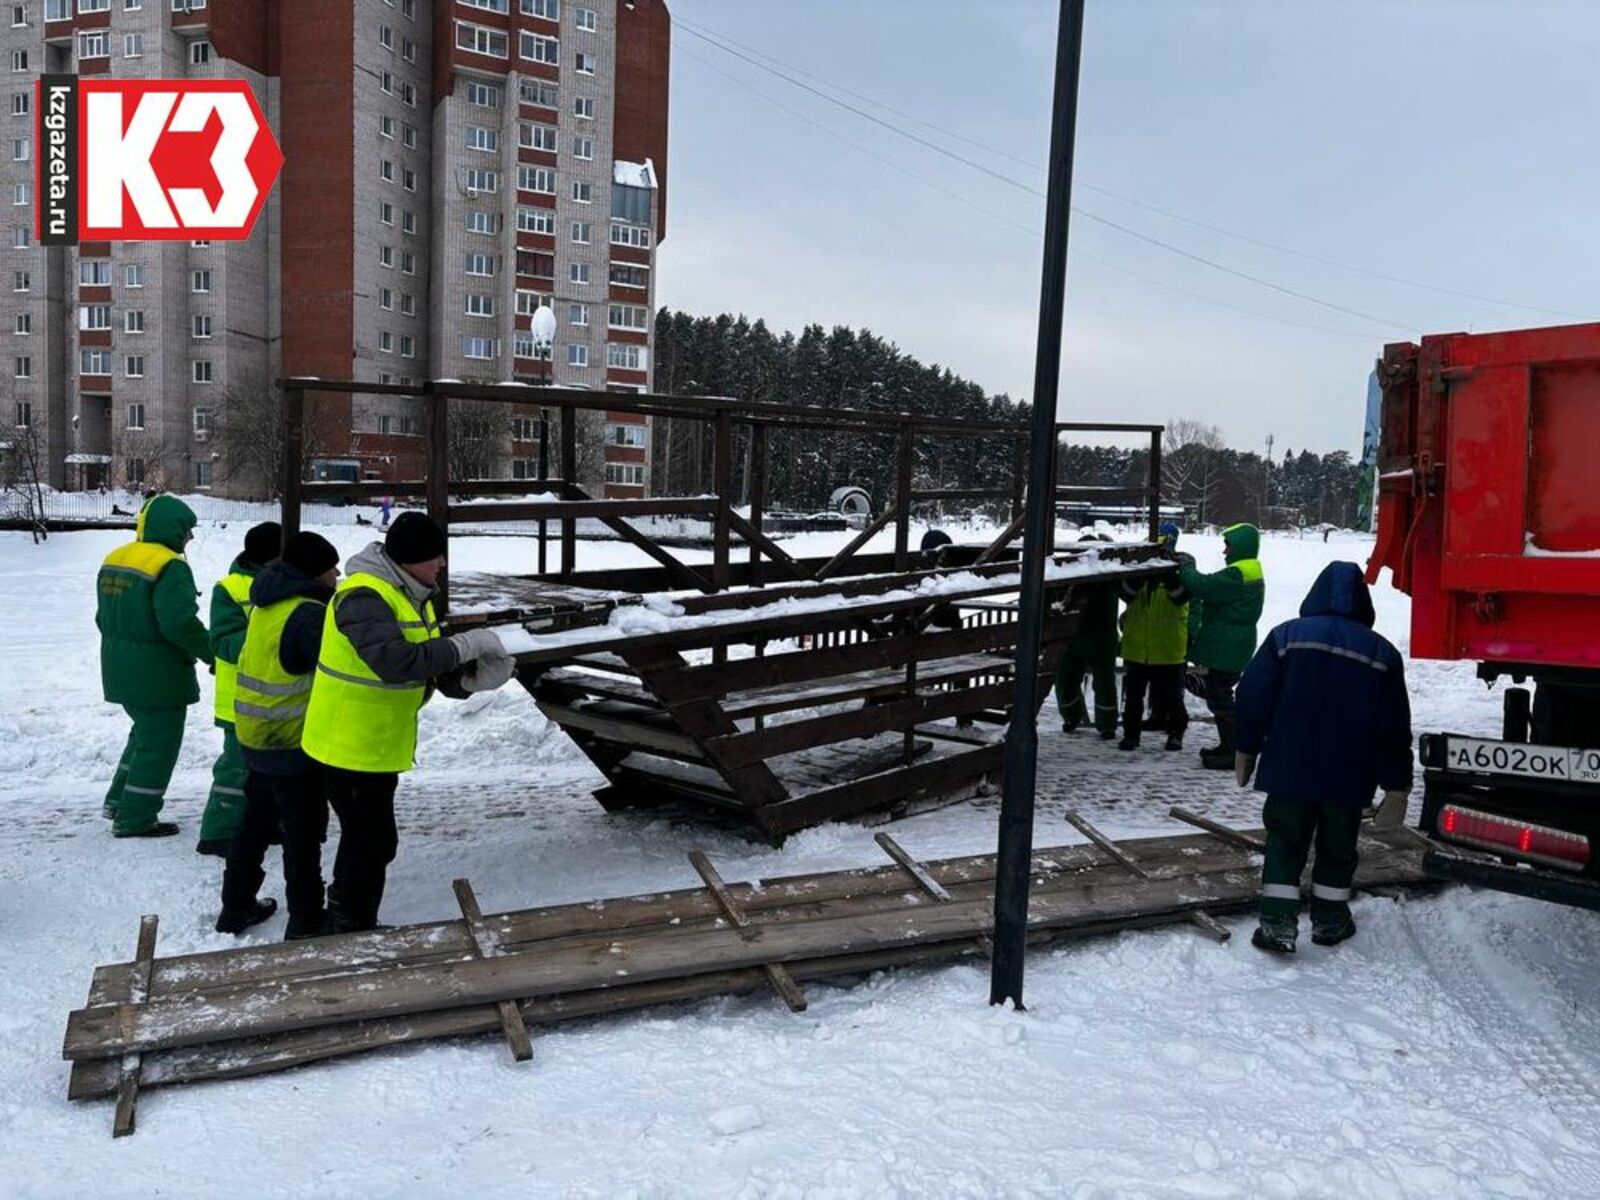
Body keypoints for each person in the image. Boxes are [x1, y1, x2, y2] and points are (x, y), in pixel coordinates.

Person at [301, 513, 517, 933]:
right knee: (371, 841)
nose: (442, 564)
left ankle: (349, 917)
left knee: (370, 840)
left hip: (375, 746)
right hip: (346, 746)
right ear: (411, 558)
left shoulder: (409, 593)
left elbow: (423, 662)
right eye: (435, 556)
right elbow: (395, 663)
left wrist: (468, 681)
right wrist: (465, 645)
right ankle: (349, 923)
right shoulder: (364, 596)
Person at [1234, 562, 1413, 954]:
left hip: (1289, 770)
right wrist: (1397, 785)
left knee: (1284, 841)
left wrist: (1246, 744)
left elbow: (1252, 694)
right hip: (1348, 777)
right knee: (1338, 846)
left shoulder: (1286, 637)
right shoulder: (1382, 653)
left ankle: (1278, 925)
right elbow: (1393, 727)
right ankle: (1330, 922)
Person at [216, 532, 342, 938]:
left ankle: (235, 908)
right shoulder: (307, 614)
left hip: (256, 736)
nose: (337, 574)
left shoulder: (267, 603)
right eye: (330, 568)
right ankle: (306, 920)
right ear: (313, 573)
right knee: (302, 836)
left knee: (254, 825)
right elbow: (332, 670)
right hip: (291, 740)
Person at [96, 495, 214, 839]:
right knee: (159, 743)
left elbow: (103, 616)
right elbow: (178, 623)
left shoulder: (116, 558)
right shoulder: (169, 565)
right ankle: (136, 818)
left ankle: (119, 801)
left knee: (143, 735)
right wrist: (211, 652)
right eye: (187, 530)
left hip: (118, 664)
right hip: (157, 672)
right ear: (172, 528)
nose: (190, 537)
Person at [197, 521, 282, 857]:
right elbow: (222, 641)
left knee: (272, 769)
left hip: (277, 698)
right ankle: (217, 831)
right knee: (237, 768)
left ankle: (266, 822)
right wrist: (271, 637)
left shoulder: (285, 583)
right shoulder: (231, 589)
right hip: (241, 701)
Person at [1177, 522, 1265, 769]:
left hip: (1226, 646)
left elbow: (1203, 586)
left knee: (1221, 698)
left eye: (1228, 546)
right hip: (1232, 644)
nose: (1225, 552)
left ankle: (1234, 752)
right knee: (1219, 695)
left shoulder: (1238, 574)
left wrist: (1187, 567)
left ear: (1239, 547)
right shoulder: (1248, 569)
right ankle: (1229, 746)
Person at [1118, 522, 1190, 752]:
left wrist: (1168, 575)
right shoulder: (1139, 565)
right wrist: (1140, 575)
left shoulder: (1184, 563)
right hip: (1138, 645)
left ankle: (1176, 733)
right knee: (1133, 698)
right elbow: (1126, 594)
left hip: (1168, 646)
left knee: (1172, 697)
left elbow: (1182, 597)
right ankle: (1131, 735)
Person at [1055, 534, 1120, 740]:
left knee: (1100, 683)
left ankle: (1103, 723)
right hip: (1080, 637)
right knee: (1070, 680)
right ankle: (1079, 718)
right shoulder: (1070, 575)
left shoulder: (1106, 575)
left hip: (1093, 637)